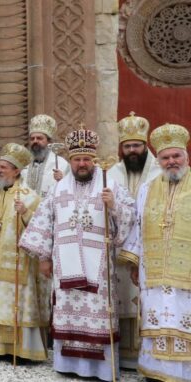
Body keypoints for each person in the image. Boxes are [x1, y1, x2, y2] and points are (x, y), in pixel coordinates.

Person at [19, 127, 136, 381]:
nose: (82, 164)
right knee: (67, 313)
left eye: (86, 159)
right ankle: (67, 364)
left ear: (93, 160)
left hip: (100, 270)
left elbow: (132, 218)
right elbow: (43, 222)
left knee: (99, 315)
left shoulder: (110, 185)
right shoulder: (58, 189)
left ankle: (102, 369)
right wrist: (44, 257)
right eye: (77, 159)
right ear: (70, 161)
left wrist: (113, 205)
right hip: (65, 267)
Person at [122, 123, 191, 382]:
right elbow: (138, 226)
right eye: (165, 157)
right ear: (158, 160)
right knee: (156, 317)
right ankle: (156, 372)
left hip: (187, 272)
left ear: (186, 156)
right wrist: (133, 263)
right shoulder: (147, 189)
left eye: (176, 156)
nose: (171, 161)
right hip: (152, 270)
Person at [0, 143, 48, 361]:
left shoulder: (29, 196)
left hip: (19, 264)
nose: (0, 170)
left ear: (17, 170)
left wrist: (25, 213)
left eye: (5, 167)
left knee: (18, 306)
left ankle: (22, 351)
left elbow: (41, 228)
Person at [107, 112, 161, 368]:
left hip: (151, 245)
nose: (131, 151)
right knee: (122, 297)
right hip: (119, 246)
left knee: (146, 298)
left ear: (145, 145)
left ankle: (148, 356)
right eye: (127, 146)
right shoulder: (112, 172)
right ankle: (125, 355)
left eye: (136, 145)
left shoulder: (160, 171)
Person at [21, 114, 70, 198]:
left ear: (49, 141)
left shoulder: (62, 165)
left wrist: (62, 180)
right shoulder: (24, 165)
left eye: (39, 138)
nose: (35, 141)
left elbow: (71, 191)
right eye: (32, 139)